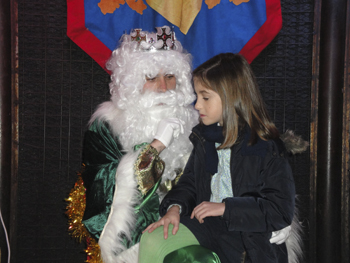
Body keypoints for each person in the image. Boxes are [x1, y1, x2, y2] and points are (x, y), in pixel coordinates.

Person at [66, 27, 297, 263]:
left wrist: (280, 219)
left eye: (169, 76)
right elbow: (108, 192)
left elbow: (271, 194)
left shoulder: (199, 124)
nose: (163, 87)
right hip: (141, 231)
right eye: (151, 77)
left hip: (218, 226)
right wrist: (158, 148)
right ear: (132, 83)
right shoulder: (109, 126)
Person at [139, 53, 307, 263]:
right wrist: (175, 208)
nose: (197, 105)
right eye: (197, 96)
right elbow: (189, 183)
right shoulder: (205, 137)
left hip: (248, 236)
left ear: (231, 98)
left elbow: (278, 209)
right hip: (209, 226)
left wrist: (226, 207)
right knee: (153, 239)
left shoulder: (266, 146)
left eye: (205, 97)